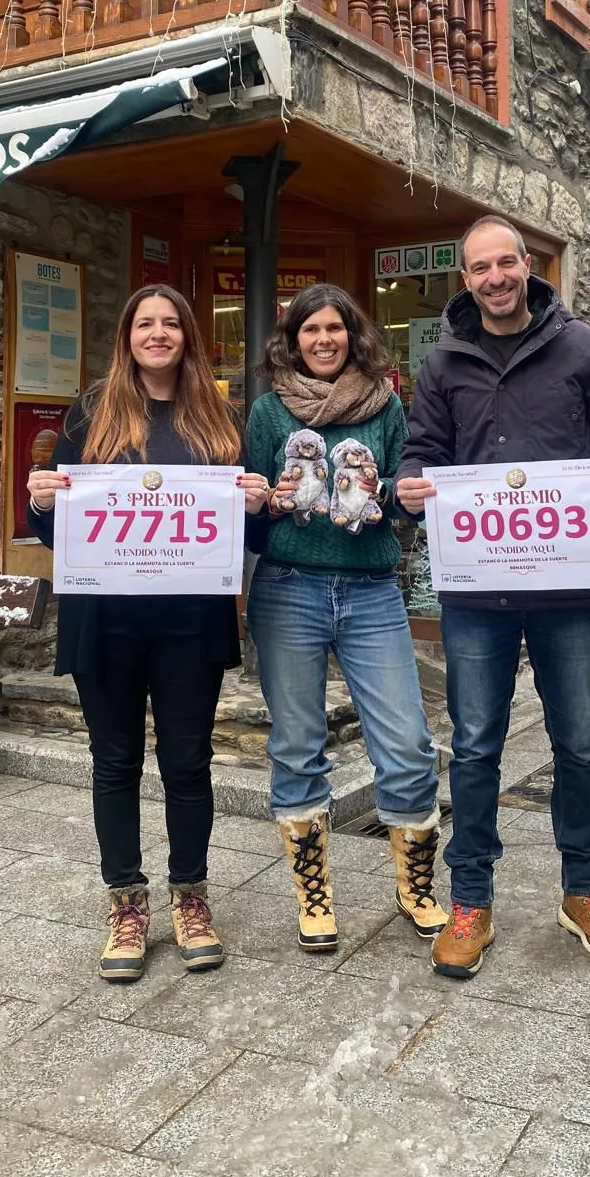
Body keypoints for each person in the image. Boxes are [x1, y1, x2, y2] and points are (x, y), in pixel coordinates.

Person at [395, 217, 590, 979]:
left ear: (527, 266)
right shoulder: (443, 364)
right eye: (479, 268)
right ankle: (471, 899)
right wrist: (410, 488)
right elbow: (422, 452)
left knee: (579, 740)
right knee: (476, 744)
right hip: (478, 592)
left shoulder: (580, 346)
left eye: (505, 262)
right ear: (466, 280)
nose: (495, 278)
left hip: (568, 584)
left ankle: (586, 891)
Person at [28, 284, 270, 983]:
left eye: (171, 324)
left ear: (188, 336)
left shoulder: (218, 418)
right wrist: (40, 505)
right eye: (145, 323)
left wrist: (256, 507)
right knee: (115, 762)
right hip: (105, 617)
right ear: (128, 336)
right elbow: (58, 529)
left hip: (188, 620)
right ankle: (126, 904)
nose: (158, 334)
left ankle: (191, 897)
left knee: (189, 764)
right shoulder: (90, 410)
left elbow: (246, 533)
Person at [244, 283, 447, 952]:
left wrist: (397, 495)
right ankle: (315, 897)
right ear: (293, 340)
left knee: (409, 746)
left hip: (371, 591)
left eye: (335, 329)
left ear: (351, 335)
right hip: (288, 589)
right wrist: (264, 501)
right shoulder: (270, 413)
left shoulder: (387, 406)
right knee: (298, 746)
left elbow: (409, 499)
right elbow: (245, 512)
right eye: (311, 331)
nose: (324, 340)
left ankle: (416, 887)